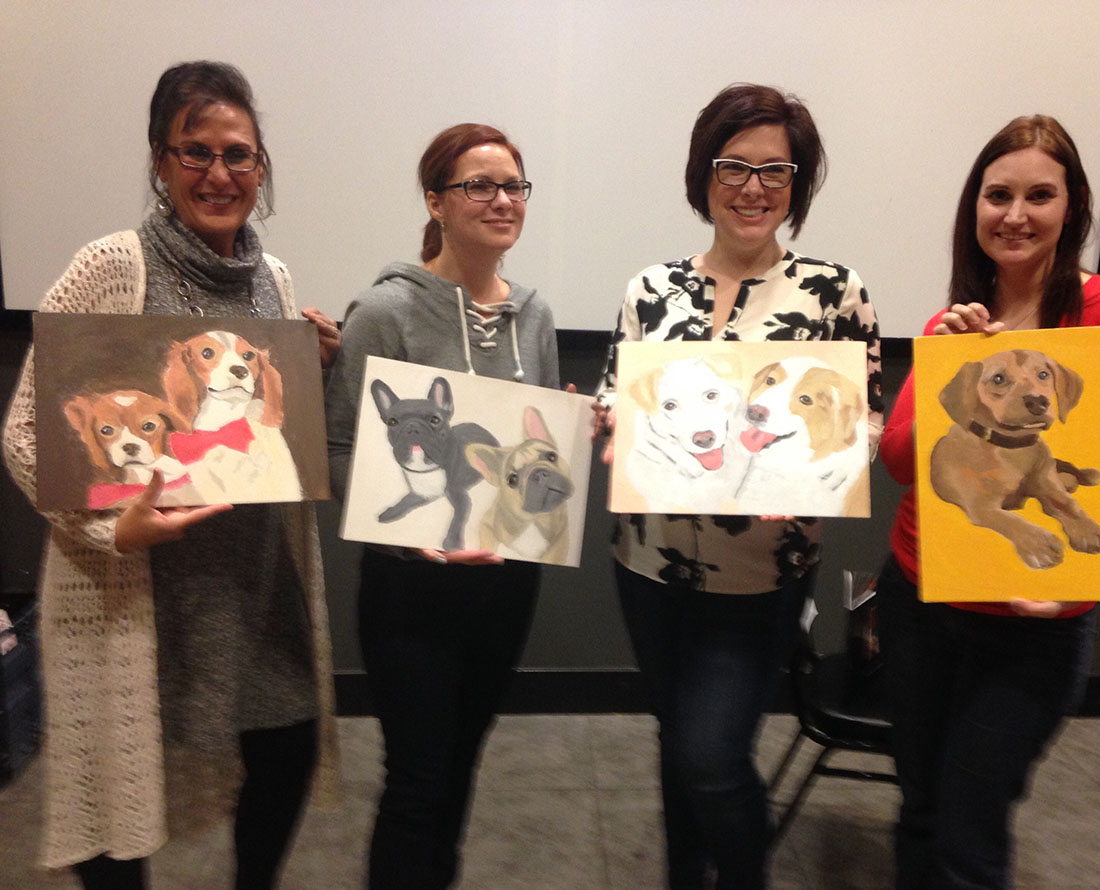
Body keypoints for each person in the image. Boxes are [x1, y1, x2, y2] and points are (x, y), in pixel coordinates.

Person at [1, 61, 340, 890]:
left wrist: (312, 371)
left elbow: (262, 430)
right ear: (159, 161)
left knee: (287, 749)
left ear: (261, 170)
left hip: (256, 579)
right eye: (196, 153)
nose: (219, 174)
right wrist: (109, 530)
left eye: (238, 156)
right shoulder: (114, 265)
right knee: (112, 796)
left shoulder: (275, 278)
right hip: (137, 583)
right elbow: (23, 430)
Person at [594, 83, 883, 890]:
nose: (754, 187)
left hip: (762, 573)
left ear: (798, 184)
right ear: (704, 176)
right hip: (647, 566)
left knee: (712, 758)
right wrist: (607, 421)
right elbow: (622, 391)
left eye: (776, 170)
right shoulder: (650, 290)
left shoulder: (835, 291)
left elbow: (863, 425)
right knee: (675, 741)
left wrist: (820, 473)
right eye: (734, 166)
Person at [875, 114, 1100, 890]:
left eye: (1039, 195)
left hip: (1041, 633)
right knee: (919, 808)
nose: (1015, 214)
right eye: (997, 194)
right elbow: (903, 463)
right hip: (923, 604)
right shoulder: (955, 322)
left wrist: (1088, 571)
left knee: (973, 827)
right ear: (973, 208)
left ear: (1072, 207)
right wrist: (949, 359)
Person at [324, 123, 559, 890]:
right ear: (436, 200)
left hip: (505, 579)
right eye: (479, 185)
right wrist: (410, 538)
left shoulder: (536, 315)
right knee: (418, 781)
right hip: (412, 589)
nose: (502, 200)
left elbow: (535, 451)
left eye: (514, 186)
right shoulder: (384, 312)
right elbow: (338, 447)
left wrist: (566, 443)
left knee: (461, 765)